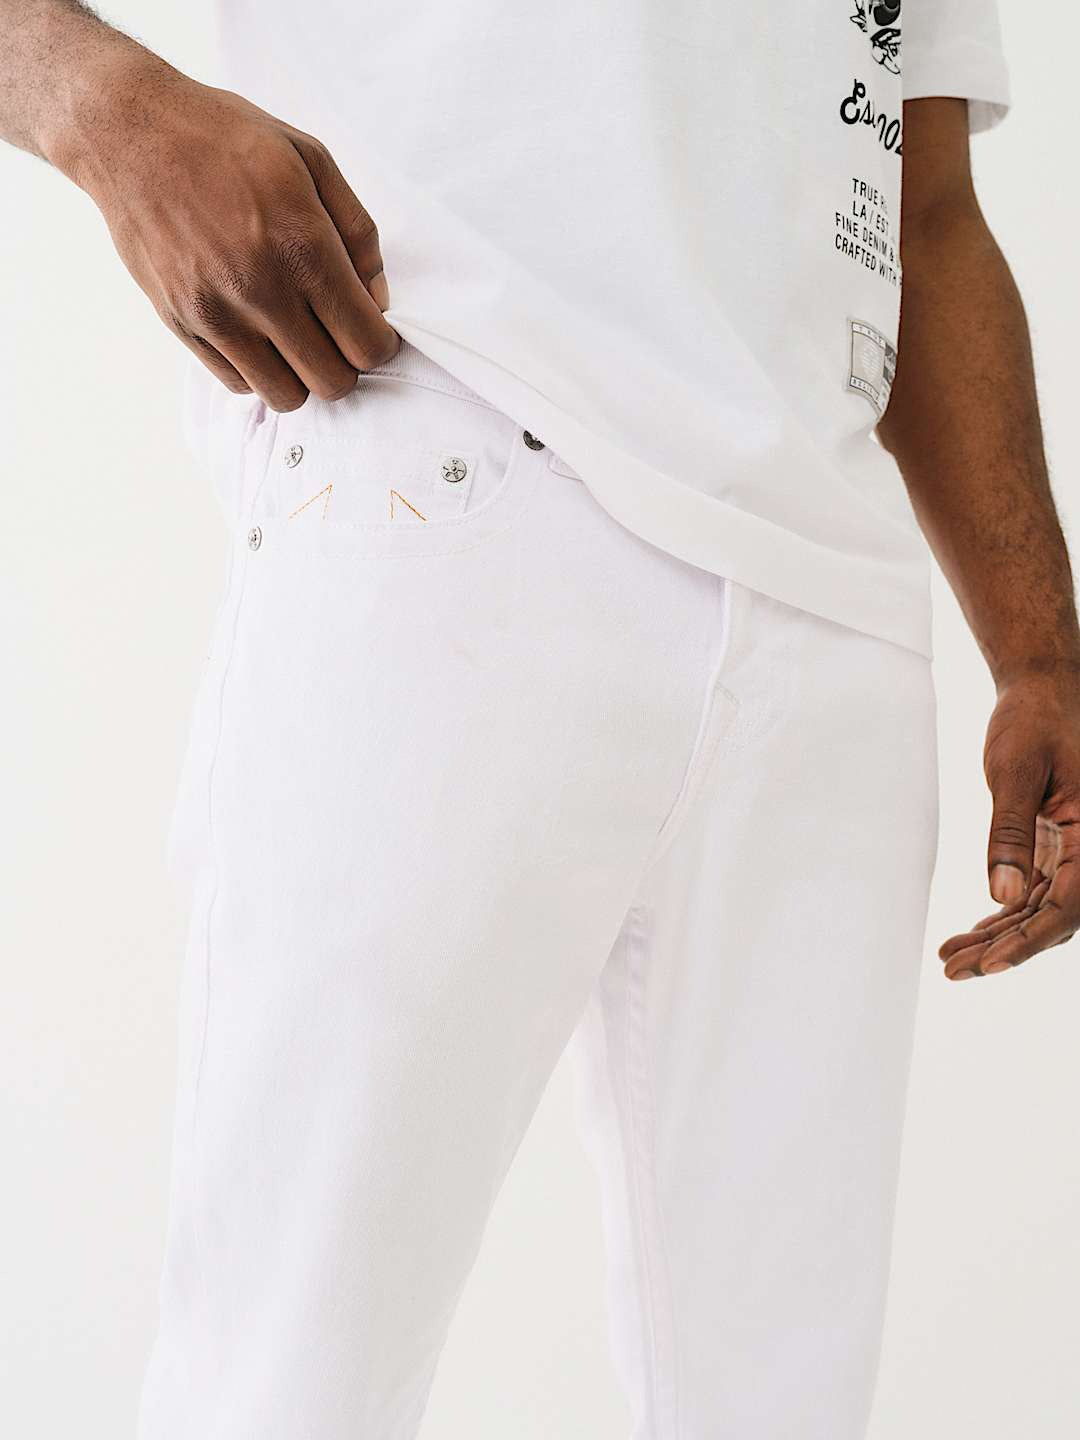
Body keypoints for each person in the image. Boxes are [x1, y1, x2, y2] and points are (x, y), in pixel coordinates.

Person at [5, 3, 1078, 1437]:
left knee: (779, 1405)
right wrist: (105, 108)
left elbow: (924, 205)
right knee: (286, 1373)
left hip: (834, 613)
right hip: (444, 468)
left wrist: (1037, 656)